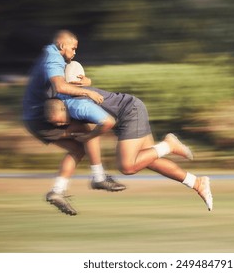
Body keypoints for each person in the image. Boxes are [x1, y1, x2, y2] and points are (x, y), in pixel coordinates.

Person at [46, 61, 213, 212]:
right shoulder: (62, 95)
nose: (60, 126)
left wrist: (89, 136)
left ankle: (169, 145)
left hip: (129, 113)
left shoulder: (77, 106)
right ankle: (196, 182)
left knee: (127, 166)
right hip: (130, 110)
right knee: (149, 160)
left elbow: (108, 123)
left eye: (59, 122)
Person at [22, 30, 126, 216]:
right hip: (43, 117)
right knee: (87, 131)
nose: (75, 52)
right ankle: (99, 177)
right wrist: (88, 92)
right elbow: (60, 87)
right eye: (73, 48)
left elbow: (62, 83)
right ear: (62, 45)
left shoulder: (50, 55)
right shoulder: (53, 57)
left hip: (33, 119)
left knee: (78, 149)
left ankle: (57, 192)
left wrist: (86, 82)